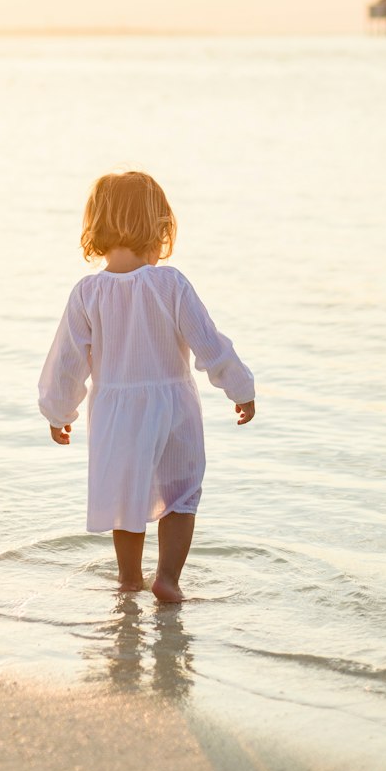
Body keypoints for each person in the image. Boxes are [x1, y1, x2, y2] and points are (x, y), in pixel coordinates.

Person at [38, 170, 256, 603]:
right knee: (182, 494)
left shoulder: (87, 293)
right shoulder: (170, 284)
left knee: (125, 495)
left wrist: (58, 410)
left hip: (115, 412)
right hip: (173, 406)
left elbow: (67, 360)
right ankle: (168, 579)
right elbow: (208, 343)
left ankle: (128, 580)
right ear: (157, 228)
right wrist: (239, 386)